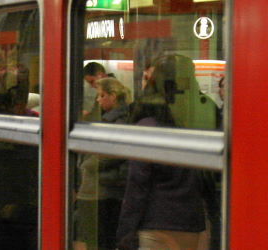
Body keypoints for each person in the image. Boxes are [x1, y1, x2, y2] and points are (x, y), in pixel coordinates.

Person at [116, 54, 213, 249]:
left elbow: (138, 185)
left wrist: (125, 232)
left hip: (156, 222)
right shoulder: (198, 121)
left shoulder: (148, 126)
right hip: (192, 222)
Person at [73, 77, 130, 250]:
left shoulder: (117, 121)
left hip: (102, 190)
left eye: (101, 95)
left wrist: (87, 166)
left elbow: (110, 153)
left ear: (113, 96)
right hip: (101, 189)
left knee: (98, 239)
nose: (98, 100)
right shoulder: (108, 118)